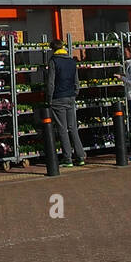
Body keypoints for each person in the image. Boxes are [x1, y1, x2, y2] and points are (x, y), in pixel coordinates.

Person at [46, 39, 86, 167]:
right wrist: (75, 93)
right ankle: (80, 156)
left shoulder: (53, 61)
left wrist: (49, 99)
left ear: (53, 49)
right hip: (70, 97)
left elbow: (51, 82)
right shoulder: (71, 61)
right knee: (73, 127)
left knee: (62, 129)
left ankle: (67, 158)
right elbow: (76, 80)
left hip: (58, 98)